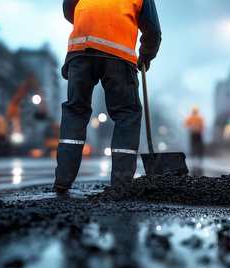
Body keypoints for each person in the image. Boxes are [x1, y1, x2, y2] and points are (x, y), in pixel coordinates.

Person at [54, 0, 162, 191]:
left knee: (75, 111)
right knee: (127, 114)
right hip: (118, 54)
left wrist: (89, 25)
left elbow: (67, 8)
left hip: (80, 50)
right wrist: (145, 55)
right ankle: (121, 183)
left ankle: (63, 178)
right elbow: (152, 31)